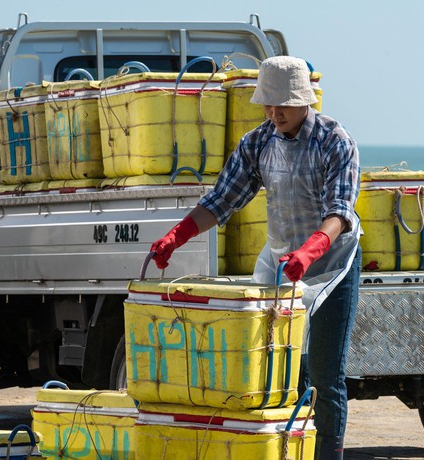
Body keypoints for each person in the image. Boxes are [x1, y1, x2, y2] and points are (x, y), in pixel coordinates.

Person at [150, 56, 361, 460]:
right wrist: (177, 236)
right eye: (268, 103)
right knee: (281, 372)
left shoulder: (336, 141)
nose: (273, 111)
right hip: (282, 263)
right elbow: (221, 199)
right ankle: (288, 450)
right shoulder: (258, 142)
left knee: (324, 375)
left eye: (282, 103)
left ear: (305, 100)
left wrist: (312, 249)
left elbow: (340, 212)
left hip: (332, 264)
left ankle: (328, 455)